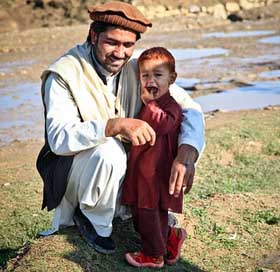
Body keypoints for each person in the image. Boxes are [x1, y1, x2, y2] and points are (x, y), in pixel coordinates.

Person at [36, 1, 204, 255]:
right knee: (110, 151)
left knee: (166, 140)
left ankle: (129, 212)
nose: (120, 53)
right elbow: (59, 139)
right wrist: (113, 126)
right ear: (94, 36)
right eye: (112, 42)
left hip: (124, 172)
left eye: (128, 45)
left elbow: (189, 108)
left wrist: (187, 154)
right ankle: (94, 222)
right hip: (74, 171)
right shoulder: (64, 74)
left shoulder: (138, 69)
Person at [122, 47, 187, 268]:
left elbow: (163, 124)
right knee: (141, 213)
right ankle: (171, 237)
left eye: (158, 75)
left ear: (172, 78)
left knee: (148, 213)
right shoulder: (152, 103)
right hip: (143, 169)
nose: (151, 81)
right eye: (145, 75)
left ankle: (154, 255)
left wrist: (149, 103)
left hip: (156, 173)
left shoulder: (171, 106)